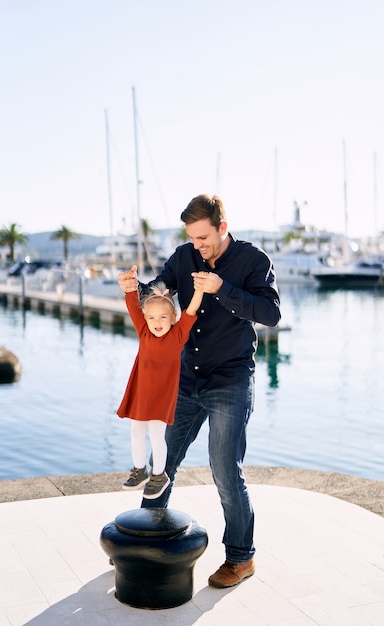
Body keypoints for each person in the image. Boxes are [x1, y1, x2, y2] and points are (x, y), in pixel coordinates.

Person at [118, 194, 281, 588]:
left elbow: (271, 315)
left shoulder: (252, 260)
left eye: (204, 237)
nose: (198, 245)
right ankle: (143, 544)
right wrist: (139, 288)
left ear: (222, 227)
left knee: (225, 470)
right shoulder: (184, 255)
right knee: (163, 462)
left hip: (231, 379)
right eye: (192, 237)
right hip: (185, 380)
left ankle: (241, 559)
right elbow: (161, 288)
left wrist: (222, 287)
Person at [117, 277, 204, 499]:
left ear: (173, 318)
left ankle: (159, 475)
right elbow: (133, 307)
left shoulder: (178, 335)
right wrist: (130, 289)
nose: (157, 322)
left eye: (163, 317)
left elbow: (191, 311)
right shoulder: (144, 332)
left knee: (157, 435)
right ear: (145, 319)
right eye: (152, 317)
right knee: (136, 431)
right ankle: (139, 470)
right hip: (141, 392)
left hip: (163, 395)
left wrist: (200, 290)